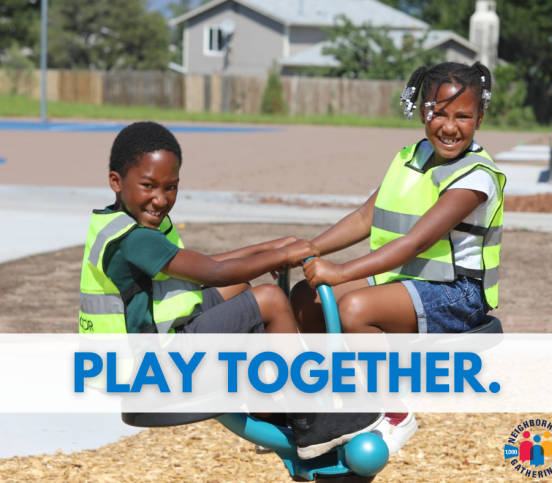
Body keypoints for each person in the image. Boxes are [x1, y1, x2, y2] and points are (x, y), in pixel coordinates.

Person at [78, 121, 383, 460]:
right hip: (149, 372)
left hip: (145, 352)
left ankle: (266, 405)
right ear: (116, 181)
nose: (160, 199)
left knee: (239, 286)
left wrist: (269, 248)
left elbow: (202, 266)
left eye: (171, 187)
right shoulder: (135, 239)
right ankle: (310, 419)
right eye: (148, 185)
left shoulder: (121, 222)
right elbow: (213, 271)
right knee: (269, 299)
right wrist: (281, 255)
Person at [290, 62, 506, 456]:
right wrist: (310, 249)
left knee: (352, 308)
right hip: (409, 278)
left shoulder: (476, 176)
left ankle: (391, 413)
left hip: (457, 293)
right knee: (307, 295)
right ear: (422, 109)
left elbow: (413, 244)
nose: (449, 126)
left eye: (463, 116)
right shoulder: (410, 157)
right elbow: (364, 216)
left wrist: (339, 271)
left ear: (480, 117)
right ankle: (333, 406)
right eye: (438, 112)